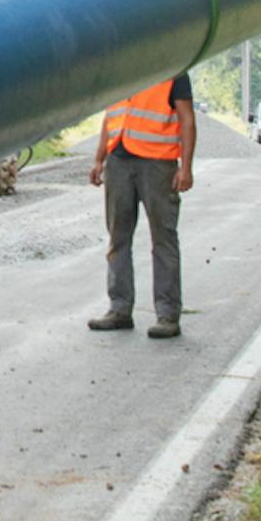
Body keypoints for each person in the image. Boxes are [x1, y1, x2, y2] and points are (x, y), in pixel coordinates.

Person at [87, 73, 197, 339]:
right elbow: (109, 117)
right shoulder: (124, 65)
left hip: (157, 164)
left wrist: (186, 167)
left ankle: (168, 314)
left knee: (163, 239)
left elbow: (187, 120)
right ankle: (119, 309)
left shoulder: (174, 71)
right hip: (119, 161)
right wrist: (99, 159)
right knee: (118, 238)